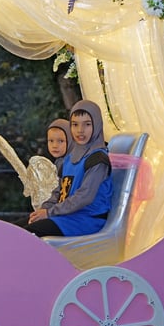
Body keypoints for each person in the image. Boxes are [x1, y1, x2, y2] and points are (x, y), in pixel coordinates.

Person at [25, 100, 113, 237]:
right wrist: (43, 210)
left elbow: (84, 197)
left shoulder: (97, 159)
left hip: (86, 220)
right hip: (65, 216)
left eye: (87, 124)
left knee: (27, 234)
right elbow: (58, 192)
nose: (80, 130)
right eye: (75, 124)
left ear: (97, 125)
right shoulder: (69, 158)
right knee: (14, 229)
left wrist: (49, 213)